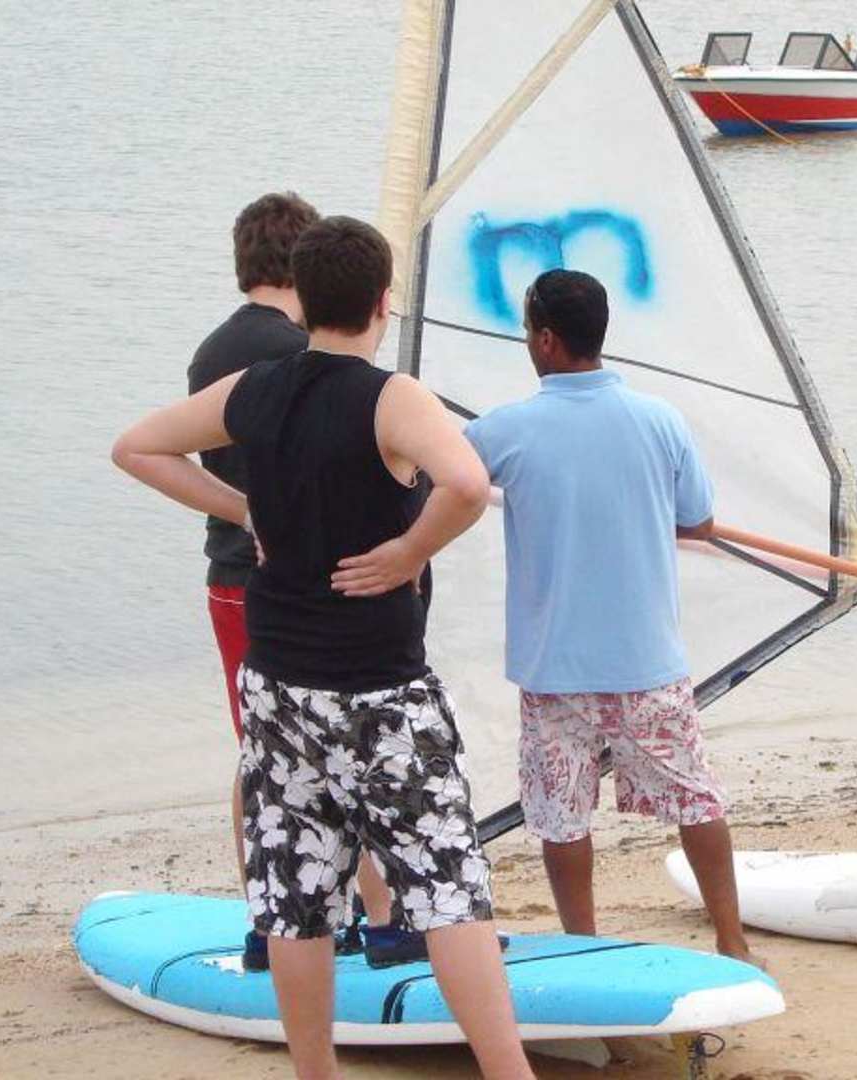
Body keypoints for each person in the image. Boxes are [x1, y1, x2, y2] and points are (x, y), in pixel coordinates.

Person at [114, 216, 534, 1079]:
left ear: (302, 300)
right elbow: (465, 483)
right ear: (384, 301)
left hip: (279, 684)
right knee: (447, 888)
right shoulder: (393, 398)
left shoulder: (252, 388)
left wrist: (244, 511)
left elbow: (138, 447)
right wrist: (409, 552)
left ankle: (317, 1073)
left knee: (295, 895)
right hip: (380, 690)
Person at [462, 269, 756, 965]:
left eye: (527, 331)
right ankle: (733, 941)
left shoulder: (501, 431)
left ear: (545, 340)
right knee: (696, 799)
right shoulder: (659, 420)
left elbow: (440, 479)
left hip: (554, 670)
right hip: (646, 663)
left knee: (561, 816)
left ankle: (584, 949)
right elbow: (699, 520)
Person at [187, 192, 414, 972]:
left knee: (265, 750)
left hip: (230, 574)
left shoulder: (213, 349)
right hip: (292, 579)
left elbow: (157, 449)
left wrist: (238, 509)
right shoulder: (296, 356)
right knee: (347, 746)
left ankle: (269, 920)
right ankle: (383, 920)